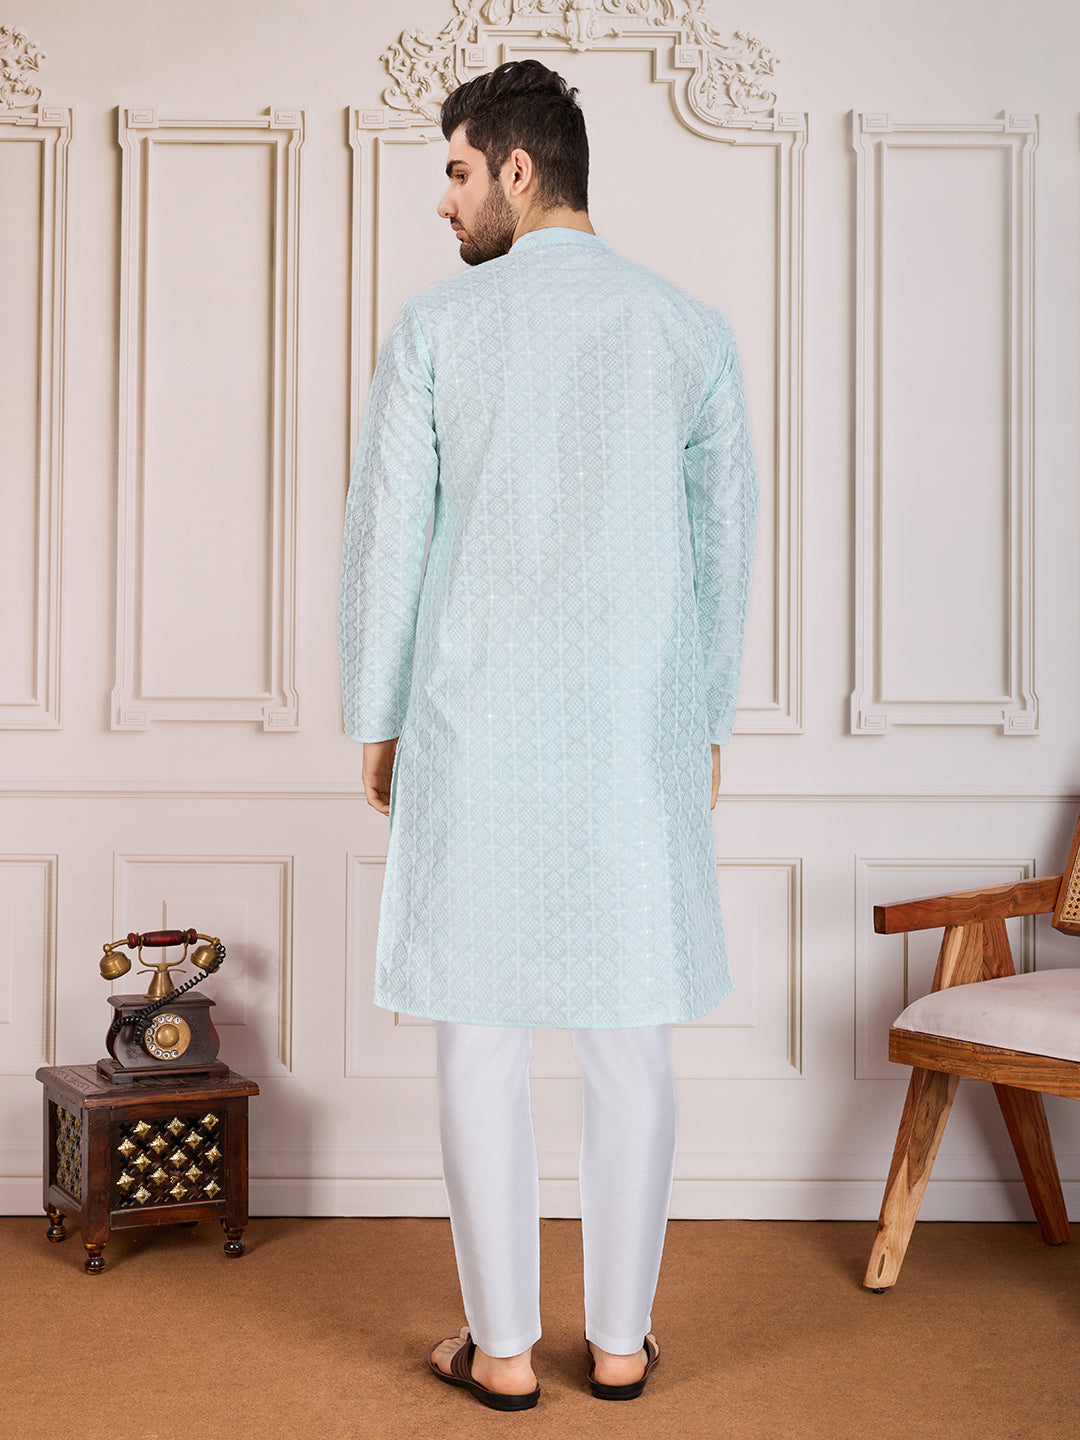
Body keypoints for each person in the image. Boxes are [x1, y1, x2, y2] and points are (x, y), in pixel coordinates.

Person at [338, 59, 757, 1411]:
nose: (445, 201)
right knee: (630, 1035)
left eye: (457, 171)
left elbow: (388, 540)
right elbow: (722, 551)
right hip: (636, 729)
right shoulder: (689, 331)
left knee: (480, 1037)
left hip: (473, 724)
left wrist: (376, 715)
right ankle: (622, 1344)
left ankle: (506, 1352)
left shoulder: (436, 329)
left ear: (520, 170)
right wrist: (704, 717)